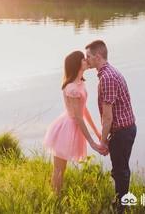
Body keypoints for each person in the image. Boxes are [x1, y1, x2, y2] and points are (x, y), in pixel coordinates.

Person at [85, 40, 137, 213]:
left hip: (122, 132)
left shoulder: (107, 78)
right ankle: (122, 203)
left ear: (98, 56)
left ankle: (121, 207)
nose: (87, 60)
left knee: (120, 170)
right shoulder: (110, 72)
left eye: (88, 57)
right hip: (126, 129)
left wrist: (103, 141)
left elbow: (108, 117)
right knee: (121, 169)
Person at [43, 50, 105, 195]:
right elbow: (78, 117)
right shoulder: (71, 88)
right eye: (83, 59)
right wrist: (92, 142)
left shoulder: (80, 83)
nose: (86, 60)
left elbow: (84, 110)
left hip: (75, 125)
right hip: (66, 128)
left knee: (61, 168)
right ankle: (55, 199)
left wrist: (96, 131)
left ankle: (57, 195)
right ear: (77, 64)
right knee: (59, 168)